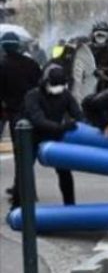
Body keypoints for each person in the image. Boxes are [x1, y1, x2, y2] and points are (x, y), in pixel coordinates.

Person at [8, 65, 82, 208]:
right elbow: (37, 119)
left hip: (53, 133)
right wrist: (61, 127)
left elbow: (77, 113)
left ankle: (70, 206)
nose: (57, 89)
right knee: (24, 171)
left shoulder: (65, 94)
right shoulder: (33, 95)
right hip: (30, 135)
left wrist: (78, 123)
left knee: (64, 170)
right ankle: (18, 208)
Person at [1, 31, 43, 203]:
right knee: (28, 153)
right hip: (32, 112)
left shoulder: (2, 65)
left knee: (20, 153)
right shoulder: (31, 64)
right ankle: (21, 187)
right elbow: (40, 86)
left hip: (13, 114)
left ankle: (23, 192)